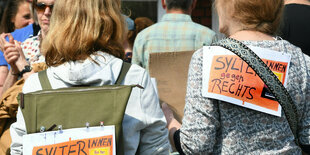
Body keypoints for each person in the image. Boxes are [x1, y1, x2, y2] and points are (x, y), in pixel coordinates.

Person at [10, 0, 170, 154]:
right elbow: (156, 149)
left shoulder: (36, 85)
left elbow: (20, 149)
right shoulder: (134, 78)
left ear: (59, 19)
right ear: (112, 17)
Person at [163, 0, 310, 154]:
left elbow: (196, 145)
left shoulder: (207, 59)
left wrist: (172, 126)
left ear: (228, 7)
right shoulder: (301, 61)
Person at [132, 0, 215, 70]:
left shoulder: (142, 37)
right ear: (193, 3)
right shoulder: (208, 36)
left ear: (163, 2)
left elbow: (135, 80)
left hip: (153, 89)